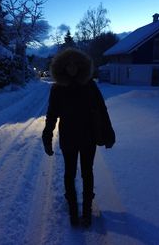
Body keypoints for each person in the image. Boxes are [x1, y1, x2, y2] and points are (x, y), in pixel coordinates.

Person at [42, 48, 115, 227]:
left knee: (87, 172)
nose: (72, 67)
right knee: (69, 172)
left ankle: (87, 209)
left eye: (75, 64)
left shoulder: (90, 85)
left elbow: (102, 109)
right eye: (68, 64)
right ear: (63, 67)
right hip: (68, 137)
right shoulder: (58, 89)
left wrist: (108, 132)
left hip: (89, 136)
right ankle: (73, 208)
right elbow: (51, 114)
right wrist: (47, 134)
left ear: (81, 66)